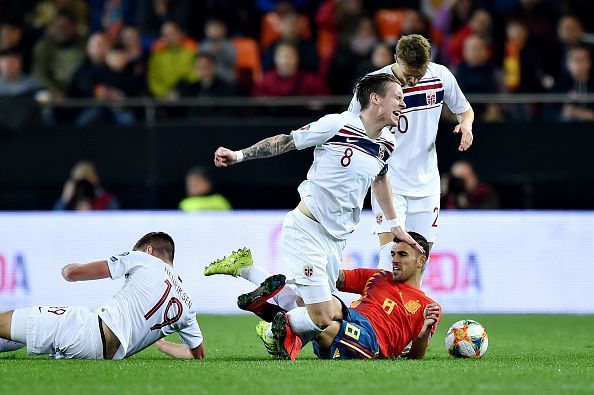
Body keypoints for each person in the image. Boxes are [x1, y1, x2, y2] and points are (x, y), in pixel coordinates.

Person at [212, 73, 423, 360]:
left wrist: (395, 225)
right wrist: (238, 155)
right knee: (323, 316)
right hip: (307, 229)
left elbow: (381, 179)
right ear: (376, 99)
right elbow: (286, 141)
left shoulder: (387, 143)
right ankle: (276, 329)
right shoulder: (338, 125)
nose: (403, 103)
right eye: (398, 97)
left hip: (337, 240)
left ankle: (246, 269)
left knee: (308, 302)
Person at [347, 34, 474, 275]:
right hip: (389, 183)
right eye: (408, 75)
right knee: (388, 262)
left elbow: (465, 111)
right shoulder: (372, 85)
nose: (414, 80)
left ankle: (409, 314)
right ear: (396, 59)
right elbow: (351, 128)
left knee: (418, 265)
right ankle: (377, 313)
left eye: (420, 73)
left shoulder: (441, 76)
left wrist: (466, 125)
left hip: (426, 185)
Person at [205, 232, 440, 360]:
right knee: (323, 302)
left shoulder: (428, 306)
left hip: (372, 341)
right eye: (393, 254)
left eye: (402, 255)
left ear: (421, 261)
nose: (395, 260)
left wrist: (423, 332)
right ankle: (275, 326)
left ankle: (252, 279)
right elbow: (334, 278)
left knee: (323, 321)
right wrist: (312, 267)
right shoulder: (378, 276)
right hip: (350, 316)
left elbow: (417, 356)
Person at [0, 232, 205, 360]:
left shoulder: (143, 259)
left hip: (88, 331)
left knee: (5, 321)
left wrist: (67, 269)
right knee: (26, 334)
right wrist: (161, 343)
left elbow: (73, 274)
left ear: (149, 250)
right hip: (105, 355)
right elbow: (197, 355)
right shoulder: (188, 306)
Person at [53, 160, 120, 210]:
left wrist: (91, 210)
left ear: (95, 178)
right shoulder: (70, 199)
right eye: (81, 179)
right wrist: (64, 200)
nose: (84, 183)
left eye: (87, 177)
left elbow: (114, 220)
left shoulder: (108, 199)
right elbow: (55, 220)